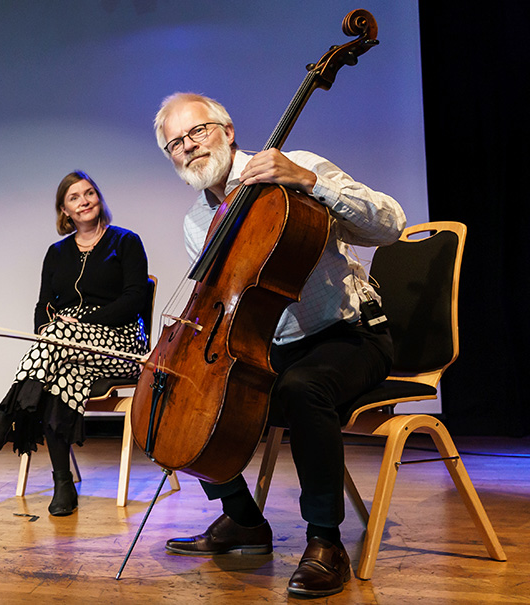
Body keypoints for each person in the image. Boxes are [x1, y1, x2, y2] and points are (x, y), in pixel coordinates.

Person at [152, 93, 406, 596]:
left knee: (301, 388)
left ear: (226, 128)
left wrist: (310, 182)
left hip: (349, 335)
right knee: (179, 398)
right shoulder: (196, 222)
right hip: (273, 346)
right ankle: (243, 520)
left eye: (196, 132)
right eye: (175, 144)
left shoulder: (298, 167)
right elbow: (220, 299)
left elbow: (390, 223)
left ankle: (324, 542)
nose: (189, 147)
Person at [0, 171, 150, 517]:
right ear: (64, 211)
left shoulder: (126, 242)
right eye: (74, 198)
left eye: (89, 193)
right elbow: (42, 307)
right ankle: (62, 482)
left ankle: (5, 418)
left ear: (99, 198)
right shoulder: (56, 253)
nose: (84, 201)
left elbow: (135, 299)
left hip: (120, 342)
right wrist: (48, 331)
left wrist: (79, 325)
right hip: (66, 349)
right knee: (60, 379)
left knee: (57, 338)